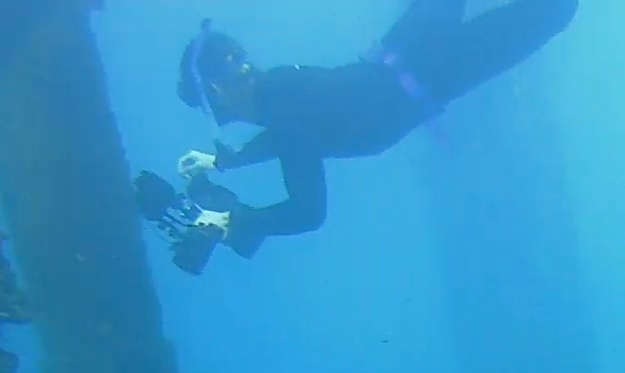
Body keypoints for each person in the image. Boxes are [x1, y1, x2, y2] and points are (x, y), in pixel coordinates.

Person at [158, 0, 579, 272]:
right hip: (413, 57)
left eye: (240, 57)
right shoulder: (278, 104)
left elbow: (308, 212)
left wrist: (234, 219)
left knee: (553, 11)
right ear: (214, 92)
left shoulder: (280, 106)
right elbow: (296, 136)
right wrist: (227, 162)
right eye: (230, 67)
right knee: (552, 10)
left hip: (430, 67)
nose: (245, 67)